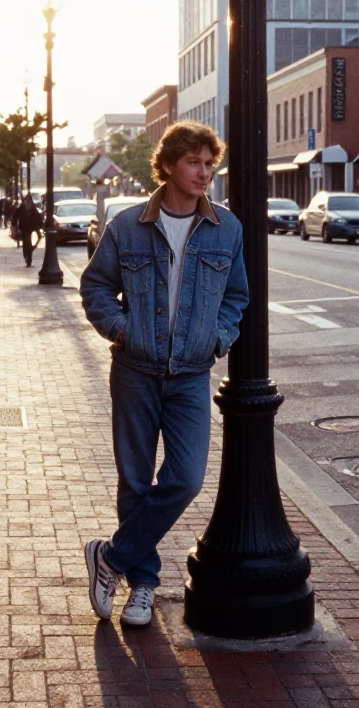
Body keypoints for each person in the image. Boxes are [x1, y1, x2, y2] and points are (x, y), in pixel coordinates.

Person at [79, 122, 249, 628]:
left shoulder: (227, 228)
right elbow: (95, 287)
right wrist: (122, 330)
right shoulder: (127, 225)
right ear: (170, 164)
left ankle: (110, 556)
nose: (204, 172)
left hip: (192, 373)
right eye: (194, 162)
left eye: (209, 163)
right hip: (135, 369)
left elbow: (236, 297)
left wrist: (217, 338)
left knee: (186, 478)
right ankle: (143, 584)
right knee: (134, 481)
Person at [17, 193, 43, 267]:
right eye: (26, 200)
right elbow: (15, 216)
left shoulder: (33, 209)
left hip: (33, 227)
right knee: (27, 243)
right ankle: (28, 258)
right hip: (24, 228)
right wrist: (14, 226)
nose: (28, 202)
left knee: (38, 238)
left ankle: (30, 251)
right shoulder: (21, 208)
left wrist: (40, 225)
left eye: (29, 200)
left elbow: (38, 217)